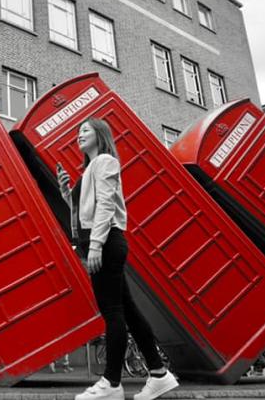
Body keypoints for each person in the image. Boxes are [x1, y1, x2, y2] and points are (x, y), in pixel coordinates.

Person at [58, 118, 179, 400]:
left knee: (112, 313)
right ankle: (159, 374)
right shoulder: (89, 169)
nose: (79, 134)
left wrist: (97, 246)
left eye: (85, 130)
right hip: (102, 241)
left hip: (106, 242)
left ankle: (111, 383)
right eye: (78, 132)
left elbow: (107, 206)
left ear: (101, 135)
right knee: (130, 313)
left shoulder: (105, 162)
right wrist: (68, 195)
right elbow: (86, 214)